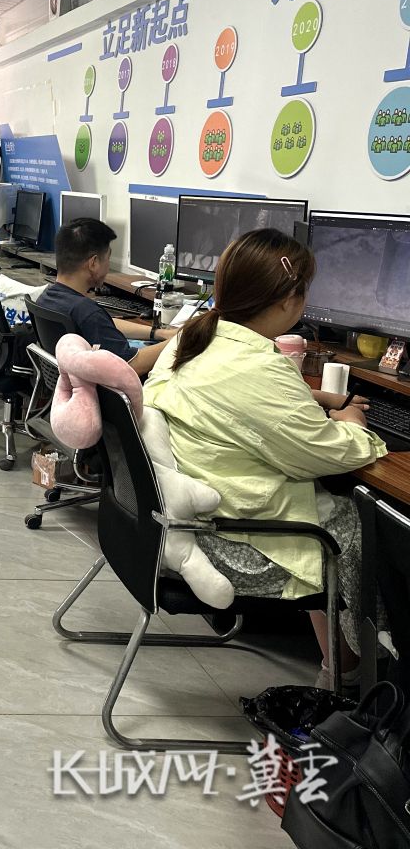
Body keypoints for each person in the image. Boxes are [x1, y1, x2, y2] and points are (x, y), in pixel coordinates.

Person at [144, 228, 387, 685]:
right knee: (361, 523)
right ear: (288, 300)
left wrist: (314, 401)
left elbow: (250, 411)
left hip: (175, 525)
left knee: (325, 508)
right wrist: (354, 422)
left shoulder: (193, 338)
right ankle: (359, 675)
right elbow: (327, 454)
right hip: (231, 548)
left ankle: (343, 665)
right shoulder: (258, 367)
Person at [40, 218, 174, 376]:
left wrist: (158, 333)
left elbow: (104, 325)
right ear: (93, 263)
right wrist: (179, 340)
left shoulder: (47, 298)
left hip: (69, 385)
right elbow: (131, 366)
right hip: (107, 389)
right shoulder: (88, 313)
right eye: (108, 259)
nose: (108, 266)